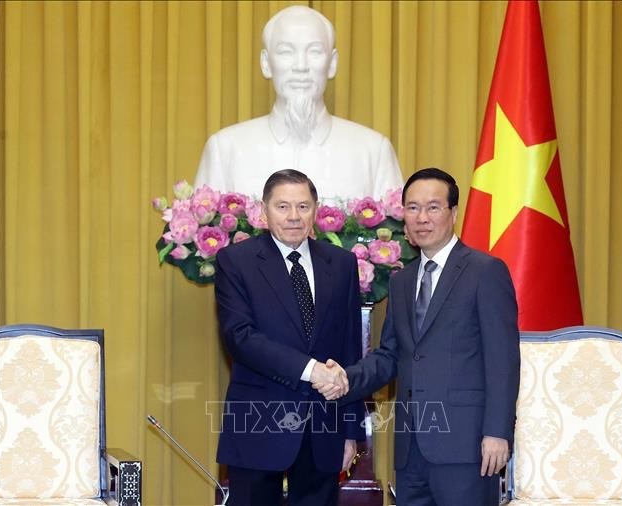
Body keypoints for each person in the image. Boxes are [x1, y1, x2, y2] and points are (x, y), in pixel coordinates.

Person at [316, 168, 521, 505]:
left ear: (453, 213)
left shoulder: (485, 272)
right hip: (411, 450)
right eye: (412, 208)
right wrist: (343, 378)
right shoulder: (401, 281)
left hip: (467, 449)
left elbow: (503, 361)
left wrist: (497, 433)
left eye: (433, 207)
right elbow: (390, 356)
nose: (421, 218)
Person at [214, 169, 364, 505]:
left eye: (303, 206)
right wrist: (313, 371)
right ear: (263, 212)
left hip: (325, 429)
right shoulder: (235, 262)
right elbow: (240, 337)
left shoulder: (341, 264)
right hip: (257, 425)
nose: (294, 216)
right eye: (282, 207)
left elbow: (351, 349)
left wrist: (351, 432)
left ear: (316, 210)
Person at [194, 5, 403, 203]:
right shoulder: (225, 149)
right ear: (266, 63)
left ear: (332, 63)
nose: (301, 66)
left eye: (315, 51)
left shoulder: (373, 151)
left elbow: (395, 238)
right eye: (286, 52)